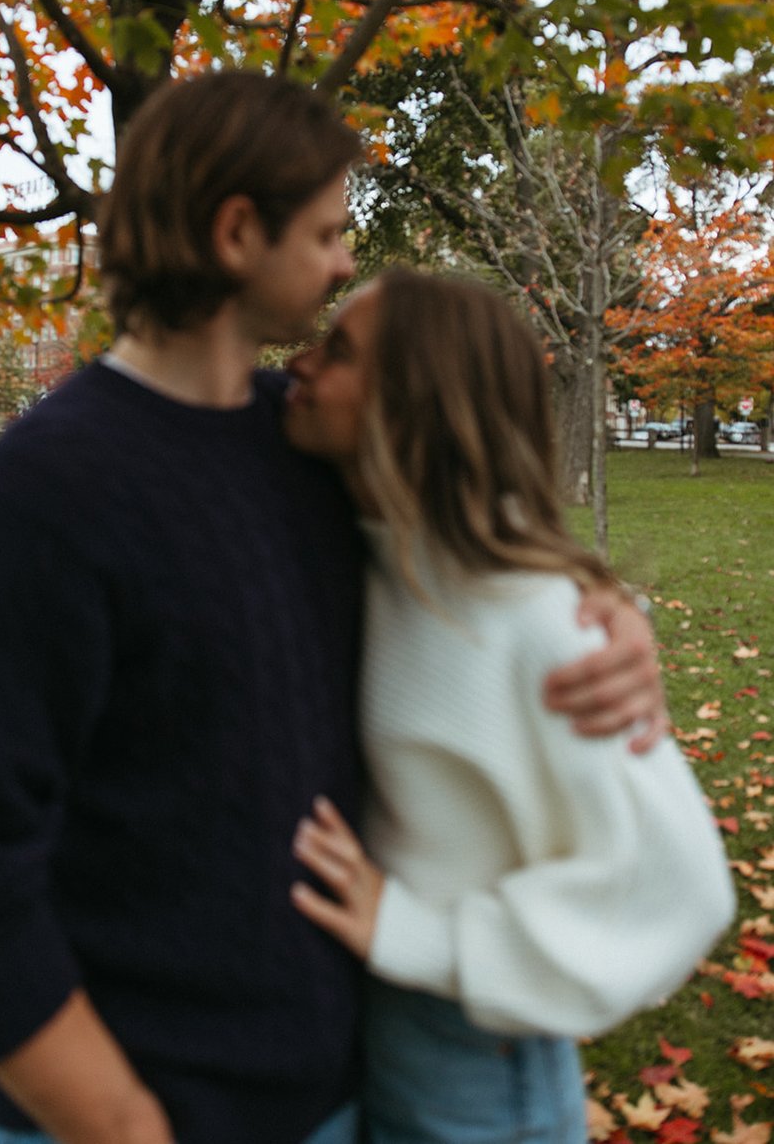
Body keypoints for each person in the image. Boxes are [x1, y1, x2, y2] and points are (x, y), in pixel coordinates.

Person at [0, 73, 665, 1144]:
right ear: (238, 233)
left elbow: (474, 530)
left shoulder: (306, 436)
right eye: (327, 231)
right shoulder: (37, 504)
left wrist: (605, 611)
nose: (343, 263)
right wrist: (128, 1128)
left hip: (332, 1095)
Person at [284, 268, 735, 1144]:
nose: (297, 363)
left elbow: (681, 888)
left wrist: (420, 935)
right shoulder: (376, 556)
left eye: (337, 351)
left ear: (414, 402)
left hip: (472, 1062)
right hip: (379, 1032)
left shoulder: (540, 627)